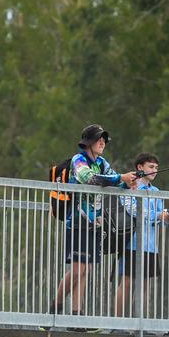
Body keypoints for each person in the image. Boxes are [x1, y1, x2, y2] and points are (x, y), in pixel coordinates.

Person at [52, 124, 137, 319]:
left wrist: (128, 181)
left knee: (86, 268)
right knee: (77, 269)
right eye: (99, 139)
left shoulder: (102, 162)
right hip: (77, 223)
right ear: (88, 142)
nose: (102, 142)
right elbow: (90, 179)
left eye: (104, 140)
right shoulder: (78, 160)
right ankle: (55, 306)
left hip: (96, 225)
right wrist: (120, 178)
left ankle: (77, 315)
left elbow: (113, 179)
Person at [114, 153, 169, 318]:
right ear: (140, 167)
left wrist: (166, 218)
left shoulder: (156, 191)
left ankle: (141, 324)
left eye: (156, 167)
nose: (155, 170)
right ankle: (117, 323)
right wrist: (158, 215)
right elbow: (132, 210)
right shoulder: (129, 187)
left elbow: (158, 221)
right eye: (151, 167)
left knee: (146, 284)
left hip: (151, 246)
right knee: (126, 283)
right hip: (131, 243)